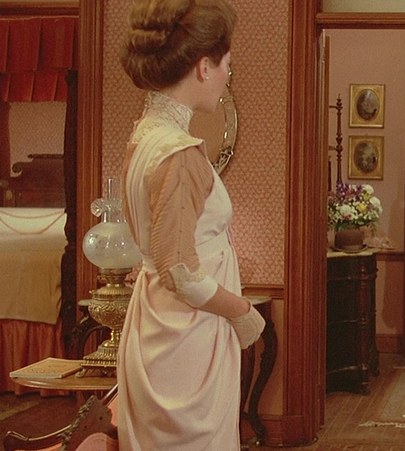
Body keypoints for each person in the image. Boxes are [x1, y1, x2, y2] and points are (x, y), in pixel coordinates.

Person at [118, 1, 265, 449]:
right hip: (186, 339)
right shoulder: (177, 152)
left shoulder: (144, 136)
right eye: (226, 65)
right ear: (204, 67)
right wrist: (242, 311)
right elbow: (180, 271)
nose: (227, 75)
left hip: (165, 326)